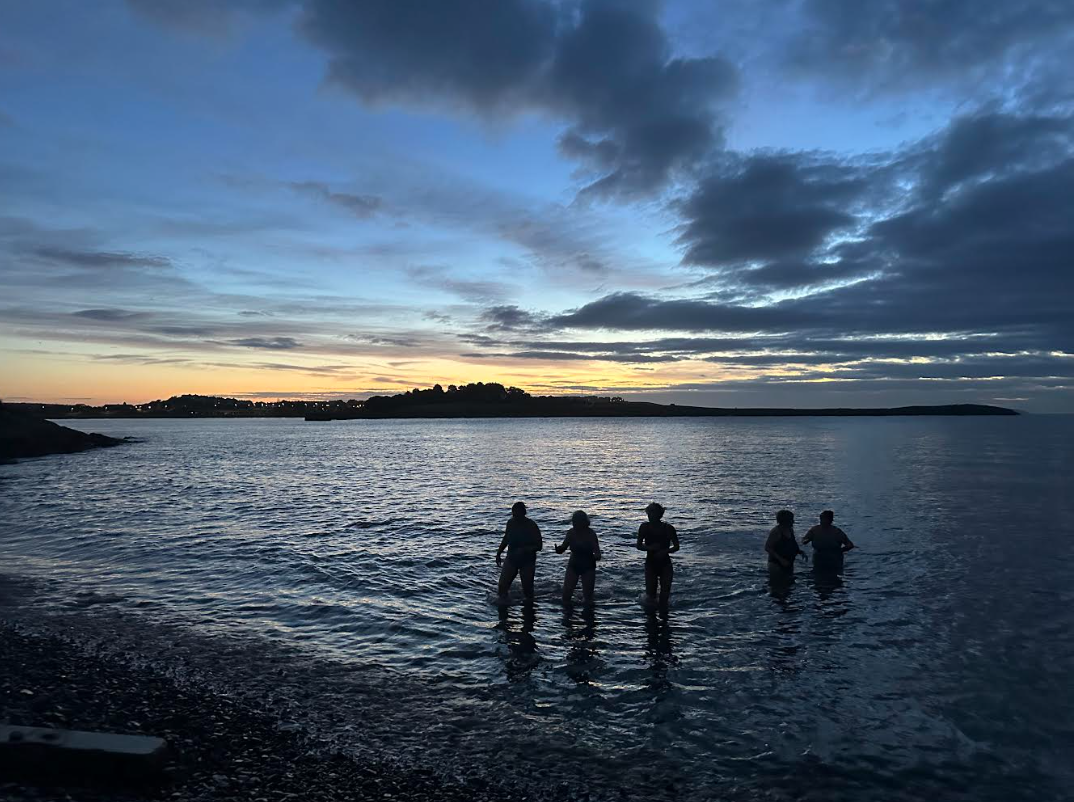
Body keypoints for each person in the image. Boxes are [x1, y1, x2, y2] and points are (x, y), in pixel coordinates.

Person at [495, 501, 542, 600]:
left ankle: (529, 610)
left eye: (517, 514)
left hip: (527, 561)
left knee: (528, 591)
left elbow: (539, 546)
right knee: (502, 587)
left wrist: (525, 549)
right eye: (513, 514)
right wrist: (499, 553)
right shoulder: (511, 523)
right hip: (511, 559)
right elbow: (506, 538)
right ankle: (504, 609)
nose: (515, 517)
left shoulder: (532, 525)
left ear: (523, 513)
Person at [637, 502, 679, 608]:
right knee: (650, 596)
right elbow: (638, 545)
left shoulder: (668, 528)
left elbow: (676, 546)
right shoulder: (644, 527)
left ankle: (664, 616)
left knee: (665, 594)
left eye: (653, 513)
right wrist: (650, 548)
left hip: (665, 564)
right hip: (650, 563)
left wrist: (665, 551)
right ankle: (651, 619)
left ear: (659, 514)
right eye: (649, 513)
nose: (650, 515)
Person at [554, 510, 602, 605]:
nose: (574, 524)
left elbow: (597, 553)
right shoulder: (571, 533)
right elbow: (564, 547)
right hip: (573, 564)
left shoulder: (591, 534)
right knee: (566, 595)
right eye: (573, 522)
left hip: (588, 566)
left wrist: (594, 557)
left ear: (583, 522)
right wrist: (559, 549)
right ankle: (567, 615)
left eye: (576, 522)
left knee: (588, 598)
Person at [765, 509, 803, 578]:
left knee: (788, 585)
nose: (793, 522)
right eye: (791, 520)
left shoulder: (790, 530)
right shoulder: (776, 531)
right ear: (785, 521)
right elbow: (767, 547)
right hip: (776, 564)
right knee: (777, 585)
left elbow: (792, 543)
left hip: (789, 563)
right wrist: (781, 560)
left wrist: (799, 551)